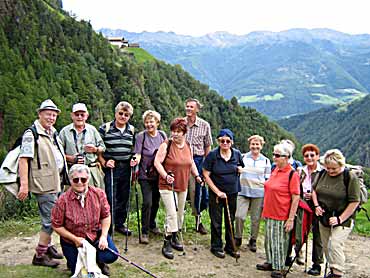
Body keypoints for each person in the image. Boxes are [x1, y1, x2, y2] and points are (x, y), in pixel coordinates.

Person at [17, 99, 66, 267]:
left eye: (54, 115)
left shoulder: (53, 132)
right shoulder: (32, 134)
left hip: (56, 181)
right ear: (40, 114)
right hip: (43, 184)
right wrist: (24, 185)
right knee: (51, 220)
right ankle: (39, 256)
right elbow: (23, 160)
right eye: (48, 114)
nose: (51, 117)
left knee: (50, 216)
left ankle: (49, 247)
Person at [51, 164, 118, 276]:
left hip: (95, 236)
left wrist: (103, 236)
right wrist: (75, 239)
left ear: (88, 179)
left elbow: (106, 216)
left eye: (83, 179)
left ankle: (99, 261)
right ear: (70, 180)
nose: (80, 182)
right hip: (73, 242)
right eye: (76, 180)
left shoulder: (99, 194)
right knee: (78, 272)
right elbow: (56, 225)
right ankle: (74, 259)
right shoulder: (62, 200)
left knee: (111, 256)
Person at [154, 118, 203, 259]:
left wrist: (197, 176)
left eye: (178, 132)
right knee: (172, 213)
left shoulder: (188, 145)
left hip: (182, 185)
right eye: (173, 131)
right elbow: (157, 162)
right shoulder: (166, 145)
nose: (175, 134)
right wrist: (165, 176)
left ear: (184, 133)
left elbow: (191, 162)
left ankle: (175, 236)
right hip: (167, 185)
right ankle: (167, 241)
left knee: (180, 213)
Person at [312, 149, 360, 278]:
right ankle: (332, 270)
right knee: (327, 246)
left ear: (341, 165)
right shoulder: (322, 173)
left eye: (334, 169)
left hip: (344, 217)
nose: (331, 171)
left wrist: (340, 219)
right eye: (328, 168)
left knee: (335, 244)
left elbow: (355, 201)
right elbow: (314, 190)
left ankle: (337, 273)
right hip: (325, 216)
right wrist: (316, 206)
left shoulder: (349, 177)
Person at [256, 143, 300, 278]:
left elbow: (296, 197)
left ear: (287, 157)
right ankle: (270, 262)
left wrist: (290, 218)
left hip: (281, 214)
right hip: (270, 212)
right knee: (269, 240)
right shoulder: (275, 170)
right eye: (274, 154)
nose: (274, 157)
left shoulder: (292, 174)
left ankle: (279, 267)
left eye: (277, 155)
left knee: (279, 242)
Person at [203, 129, 244, 259]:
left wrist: (240, 169)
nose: (225, 143)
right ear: (218, 141)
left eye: (227, 141)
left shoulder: (236, 154)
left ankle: (230, 247)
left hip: (232, 192)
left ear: (231, 142)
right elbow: (205, 174)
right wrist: (217, 192)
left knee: (229, 219)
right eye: (222, 140)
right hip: (216, 194)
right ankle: (216, 246)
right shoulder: (212, 155)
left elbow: (241, 166)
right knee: (216, 221)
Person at [98, 101, 135, 236]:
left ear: (129, 116)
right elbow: (98, 149)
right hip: (111, 167)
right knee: (110, 196)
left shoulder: (131, 130)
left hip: (126, 167)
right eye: (121, 113)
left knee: (124, 196)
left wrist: (134, 158)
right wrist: (103, 162)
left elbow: (134, 149)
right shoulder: (105, 128)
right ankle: (109, 225)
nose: (123, 116)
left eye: (126, 115)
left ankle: (120, 223)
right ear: (115, 113)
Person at [132, 110, 167, 244]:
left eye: (151, 121)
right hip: (145, 175)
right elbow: (138, 153)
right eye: (146, 122)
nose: (148, 124)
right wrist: (135, 159)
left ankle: (152, 224)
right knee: (147, 202)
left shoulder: (163, 135)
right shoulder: (142, 136)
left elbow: (166, 152)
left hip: (159, 174)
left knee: (156, 201)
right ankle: (145, 231)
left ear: (157, 122)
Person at [234, 135, 271, 252]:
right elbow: (236, 170)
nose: (255, 146)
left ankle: (253, 240)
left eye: (257, 144)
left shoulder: (266, 161)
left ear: (261, 146)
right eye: (253, 144)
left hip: (259, 193)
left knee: (255, 218)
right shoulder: (242, 157)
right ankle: (238, 237)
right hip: (243, 191)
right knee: (239, 216)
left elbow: (267, 179)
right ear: (249, 145)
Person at [59, 103, 106, 188]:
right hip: (73, 172)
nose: (79, 117)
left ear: (86, 116)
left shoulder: (93, 130)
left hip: (92, 171)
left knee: (94, 199)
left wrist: (95, 149)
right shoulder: (64, 132)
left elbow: (103, 148)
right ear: (72, 116)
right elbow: (57, 153)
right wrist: (71, 158)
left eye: (82, 115)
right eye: (77, 114)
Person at [184, 98, 213, 234]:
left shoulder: (204, 125)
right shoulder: (181, 123)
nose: (188, 109)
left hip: (198, 160)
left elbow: (207, 145)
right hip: (182, 161)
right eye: (187, 106)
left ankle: (198, 221)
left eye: (191, 107)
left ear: (197, 109)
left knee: (199, 192)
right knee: (182, 190)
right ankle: (179, 221)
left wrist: (207, 164)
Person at [299, 144, 324, 275]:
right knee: (300, 231)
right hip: (303, 203)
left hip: (319, 205)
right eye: (306, 155)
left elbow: (326, 189)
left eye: (312, 155)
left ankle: (317, 264)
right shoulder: (301, 171)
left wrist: (315, 196)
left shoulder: (323, 172)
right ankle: (295, 255)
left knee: (318, 234)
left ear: (317, 156)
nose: (309, 158)